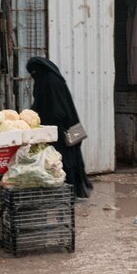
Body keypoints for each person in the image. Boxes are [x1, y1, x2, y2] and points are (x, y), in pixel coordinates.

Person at [26, 57, 93, 199]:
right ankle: (66, 192)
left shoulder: (51, 81)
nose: (33, 76)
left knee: (66, 160)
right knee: (61, 160)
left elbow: (58, 109)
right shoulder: (46, 79)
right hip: (60, 128)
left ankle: (69, 193)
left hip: (63, 128)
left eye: (34, 72)